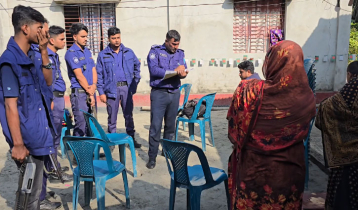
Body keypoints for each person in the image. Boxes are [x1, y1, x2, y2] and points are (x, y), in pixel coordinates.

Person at [227, 40, 315, 209]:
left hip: (253, 174)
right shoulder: (307, 98)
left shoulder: (247, 90)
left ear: (271, 61)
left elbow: (233, 133)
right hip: (289, 176)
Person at [0, 5, 61, 210]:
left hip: (39, 131)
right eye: (40, 27)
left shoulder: (33, 54)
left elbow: (48, 81)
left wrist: (44, 51)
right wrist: (17, 144)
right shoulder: (10, 61)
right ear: (25, 28)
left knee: (34, 191)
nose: (44, 32)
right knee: (27, 195)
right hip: (26, 138)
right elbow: (10, 106)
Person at [31, 22, 71, 209]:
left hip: (57, 99)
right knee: (48, 143)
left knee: (55, 139)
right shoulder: (41, 55)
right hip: (52, 100)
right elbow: (47, 81)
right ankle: (41, 192)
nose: (64, 41)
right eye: (62, 39)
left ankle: (52, 172)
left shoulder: (53, 55)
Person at [316, 61, 358, 210]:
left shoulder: (349, 92)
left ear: (349, 75)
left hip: (344, 162)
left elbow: (323, 112)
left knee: (343, 198)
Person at [146, 30, 188, 169]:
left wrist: (182, 73)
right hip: (159, 93)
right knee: (155, 127)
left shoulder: (180, 53)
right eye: (173, 44)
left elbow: (183, 70)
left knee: (170, 126)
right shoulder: (155, 52)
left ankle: (167, 151)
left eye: (177, 44)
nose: (175, 47)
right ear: (167, 41)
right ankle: (152, 157)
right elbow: (154, 71)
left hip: (174, 92)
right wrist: (175, 70)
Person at [97, 27, 141, 149]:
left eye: (118, 37)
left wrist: (135, 83)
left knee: (128, 115)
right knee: (112, 116)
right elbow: (99, 74)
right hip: (111, 89)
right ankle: (111, 141)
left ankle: (131, 138)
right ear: (109, 39)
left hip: (126, 88)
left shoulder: (129, 52)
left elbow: (137, 66)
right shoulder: (103, 55)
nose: (116, 40)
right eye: (113, 38)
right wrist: (101, 92)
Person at [65, 23, 97, 137]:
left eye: (86, 36)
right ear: (75, 37)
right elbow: (79, 75)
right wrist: (90, 91)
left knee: (91, 125)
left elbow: (93, 70)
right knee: (81, 124)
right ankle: (78, 154)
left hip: (90, 92)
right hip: (80, 94)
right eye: (83, 37)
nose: (86, 39)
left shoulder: (87, 51)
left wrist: (93, 86)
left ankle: (91, 153)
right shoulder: (71, 53)